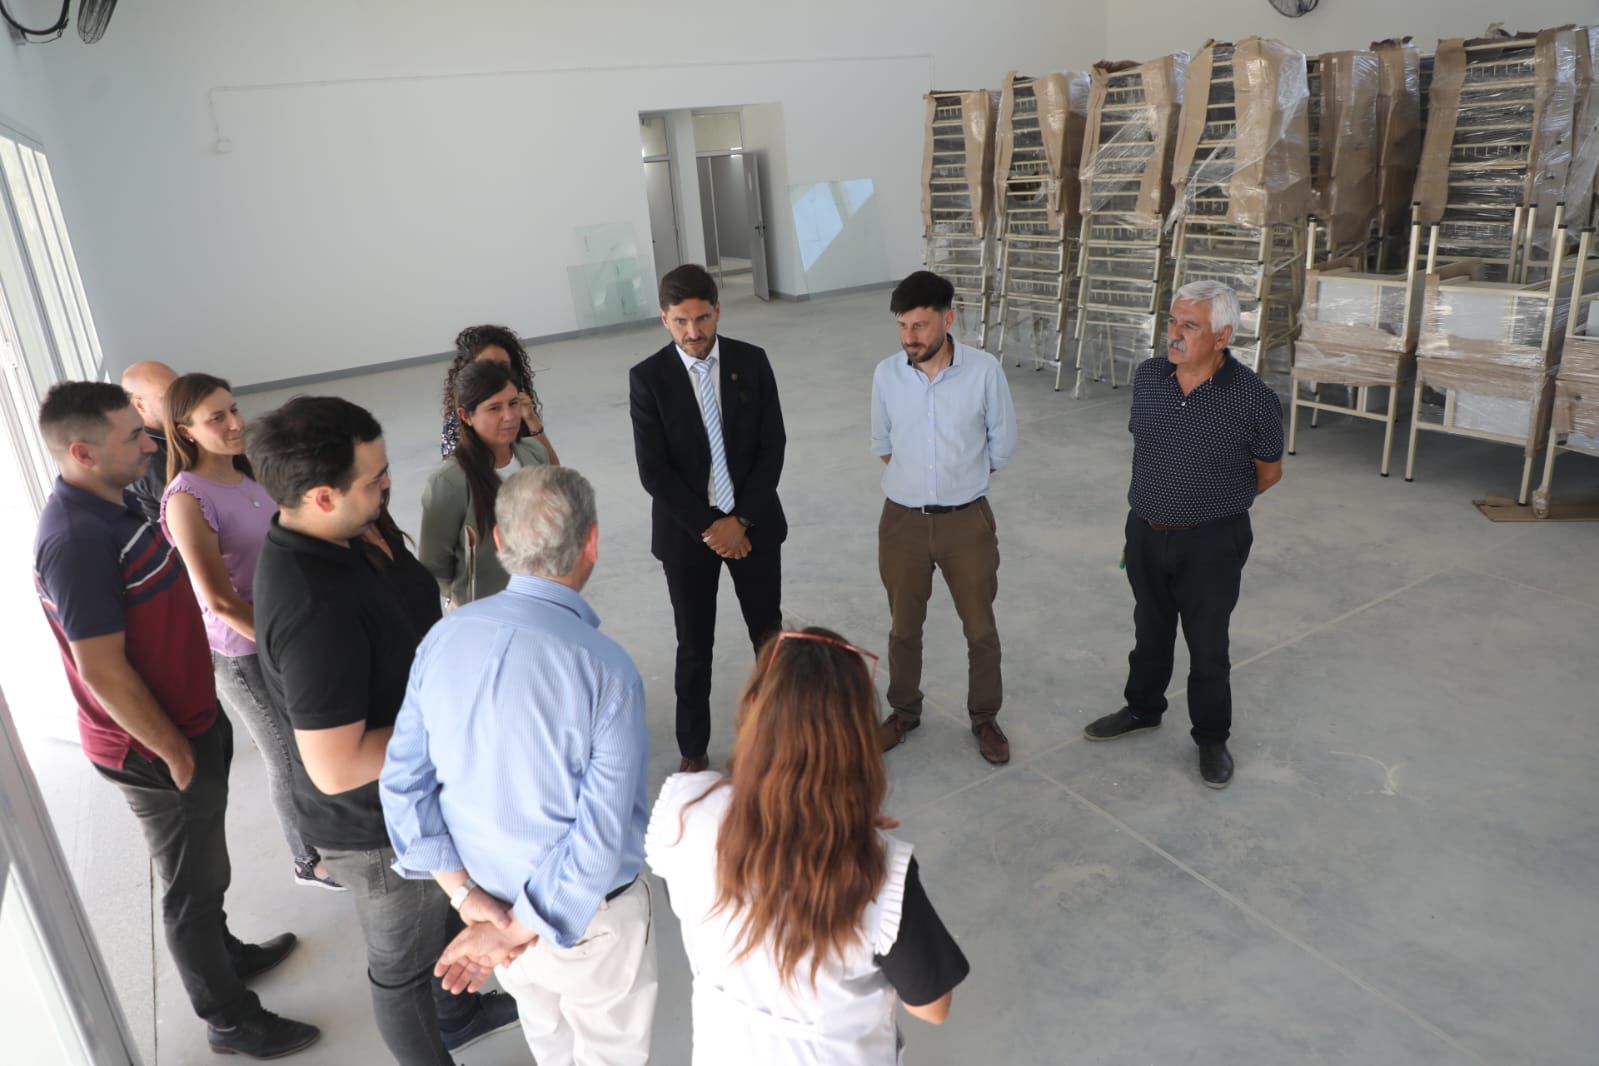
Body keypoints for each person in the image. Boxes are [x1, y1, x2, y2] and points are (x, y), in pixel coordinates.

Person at [33, 381, 319, 1060]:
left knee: (207, 866)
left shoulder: (120, 499)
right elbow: (102, 670)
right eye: (133, 435)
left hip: (190, 717)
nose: (149, 442)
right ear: (82, 452)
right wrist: (174, 750)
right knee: (189, 887)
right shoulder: (75, 540)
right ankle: (229, 1019)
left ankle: (226, 954)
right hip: (153, 747)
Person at [249, 396, 516, 1065]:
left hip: (418, 794)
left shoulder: (351, 532)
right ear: (321, 497)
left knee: (446, 921)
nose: (388, 484)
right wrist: (458, 723)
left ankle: (458, 1014)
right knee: (403, 971)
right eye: (373, 479)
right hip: (376, 831)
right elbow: (335, 764)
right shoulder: (313, 606)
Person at [385, 465, 657, 1066]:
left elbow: (402, 786)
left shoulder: (443, 638)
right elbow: (599, 838)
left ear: (498, 541)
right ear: (591, 543)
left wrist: (468, 900)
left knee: (548, 1041)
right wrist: (515, 927)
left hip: (489, 902)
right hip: (585, 924)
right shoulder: (606, 669)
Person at [646, 626, 969, 1064]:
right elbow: (932, 1006)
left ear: (754, 707)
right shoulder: (877, 867)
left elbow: (683, 896)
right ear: (855, 739)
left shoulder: (687, 808)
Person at [1082, 279, 1284, 788]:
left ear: (1222, 336)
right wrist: (1151, 515)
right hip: (1145, 532)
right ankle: (1142, 708)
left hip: (1212, 541)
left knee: (1207, 644)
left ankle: (1211, 737)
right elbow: (1145, 450)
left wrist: (1210, 506)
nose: (1173, 333)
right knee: (1149, 630)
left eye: (1189, 325)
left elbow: (1268, 473)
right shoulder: (1149, 377)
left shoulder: (1253, 398)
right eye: (1172, 321)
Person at [159, 373, 341, 892]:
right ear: (185, 431)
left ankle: (333, 838)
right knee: (285, 753)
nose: (235, 423)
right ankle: (306, 860)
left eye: (234, 410)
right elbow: (218, 600)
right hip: (245, 651)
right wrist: (286, 645)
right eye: (217, 418)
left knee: (312, 743)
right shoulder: (187, 498)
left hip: (286, 633)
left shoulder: (249, 474)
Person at [630, 263, 787, 772]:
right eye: (680, 321)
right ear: (664, 319)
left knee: (768, 639)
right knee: (694, 645)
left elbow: (772, 447)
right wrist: (713, 526)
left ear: (718, 310)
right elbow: (654, 471)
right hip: (688, 535)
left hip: (753, 526)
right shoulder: (648, 379)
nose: (693, 332)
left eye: (701, 318)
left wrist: (741, 519)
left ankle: (776, 738)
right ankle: (693, 750)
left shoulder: (751, 361)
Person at [872, 270, 1018, 765]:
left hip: (966, 522)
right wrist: (920, 483)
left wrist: (958, 480)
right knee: (903, 627)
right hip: (902, 522)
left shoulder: (984, 372)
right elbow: (883, 443)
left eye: (920, 325)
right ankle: (903, 711)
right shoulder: (886, 375)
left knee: (980, 629)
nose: (910, 337)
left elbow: (1002, 445)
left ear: (948, 319)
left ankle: (985, 716)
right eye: (903, 326)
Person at [420, 359, 551, 606]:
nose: (509, 416)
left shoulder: (534, 453)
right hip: (486, 609)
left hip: (540, 596)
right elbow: (434, 562)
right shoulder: (449, 482)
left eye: (513, 403)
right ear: (465, 416)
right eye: (494, 408)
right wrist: (462, 598)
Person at [439, 324, 560, 463]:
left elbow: (552, 469)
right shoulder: (459, 424)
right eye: (494, 408)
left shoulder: (519, 405)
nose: (508, 416)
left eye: (503, 366)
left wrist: (532, 420)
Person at [121, 359, 177, 522]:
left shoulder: (171, 429)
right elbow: (197, 510)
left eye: (180, 390)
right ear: (139, 405)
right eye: (167, 397)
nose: (180, 400)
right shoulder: (149, 457)